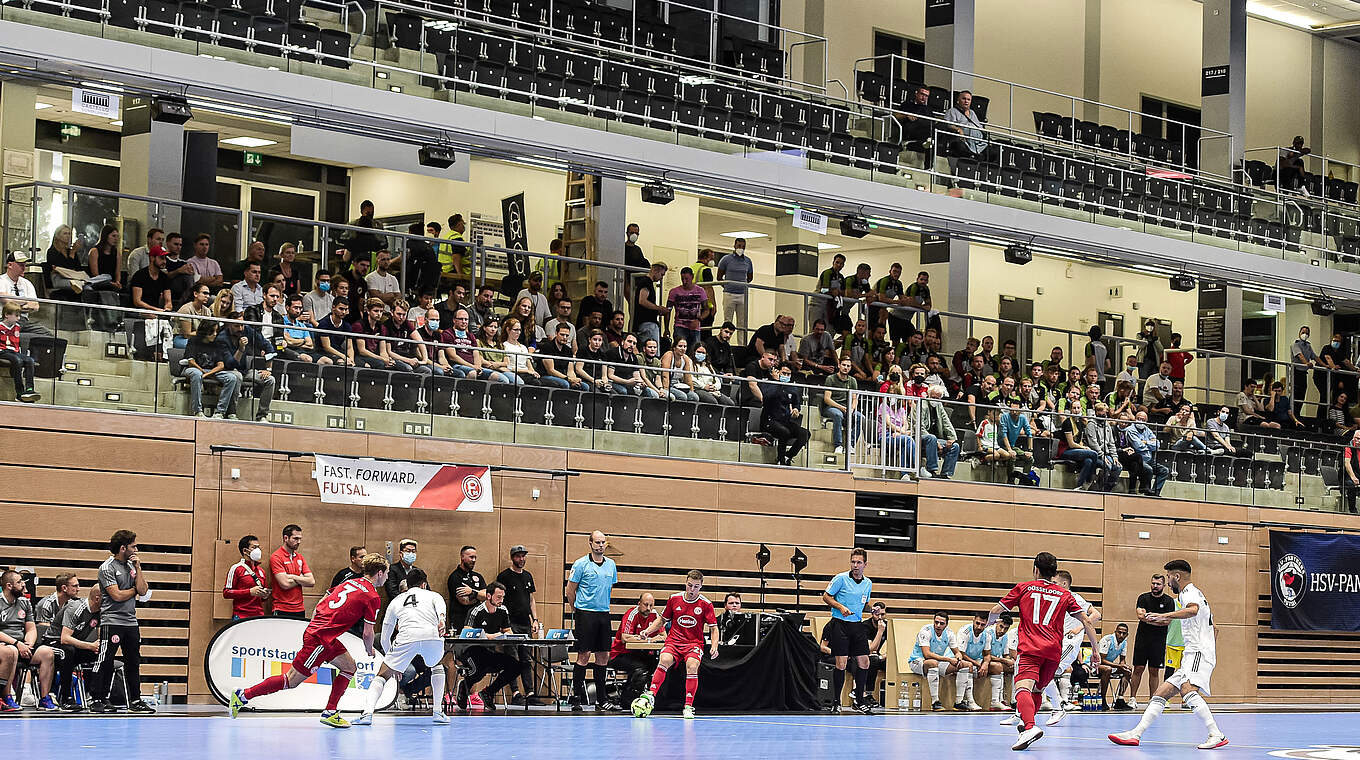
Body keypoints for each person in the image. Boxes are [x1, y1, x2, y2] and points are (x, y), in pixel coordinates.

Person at [230, 553, 388, 727]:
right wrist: (369, 649)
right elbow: (367, 633)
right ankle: (243, 695)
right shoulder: (373, 596)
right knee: (290, 681)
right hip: (320, 639)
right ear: (379, 573)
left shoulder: (349, 582)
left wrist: (318, 624)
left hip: (324, 636)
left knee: (349, 667)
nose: (387, 577)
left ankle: (330, 712)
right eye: (386, 573)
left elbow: (323, 601)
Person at [1110, 559, 1228, 750]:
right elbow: (1215, 628)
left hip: (1197, 653)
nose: (1167, 581)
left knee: (1188, 691)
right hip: (1193, 653)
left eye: (1168, 577)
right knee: (1160, 693)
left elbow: (1193, 610)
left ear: (1176, 576)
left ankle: (1216, 734)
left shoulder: (1189, 592)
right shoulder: (1195, 594)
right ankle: (1135, 734)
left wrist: (1165, 616)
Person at [988, 552, 1100, 751]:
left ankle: (1030, 726)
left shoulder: (1023, 588)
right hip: (1053, 652)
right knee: (1037, 690)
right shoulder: (1065, 595)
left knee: (1022, 687)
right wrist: (1095, 651)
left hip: (1031, 648)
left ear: (1035, 570)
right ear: (1054, 572)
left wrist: (989, 625)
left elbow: (996, 611)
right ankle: (1026, 724)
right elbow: (1087, 620)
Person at [355, 567, 447, 725]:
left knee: (382, 675)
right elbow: (441, 609)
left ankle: (367, 713)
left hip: (406, 637)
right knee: (437, 666)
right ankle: (438, 712)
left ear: (407, 584)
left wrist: (391, 657)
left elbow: (386, 632)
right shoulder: (434, 595)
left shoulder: (397, 600)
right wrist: (442, 620)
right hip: (432, 635)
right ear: (424, 584)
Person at [630, 570, 719, 720]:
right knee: (664, 660)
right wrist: (647, 631)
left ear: (701, 586)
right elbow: (662, 620)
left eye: (696, 587)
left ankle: (688, 706)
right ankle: (650, 695)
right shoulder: (674, 599)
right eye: (689, 585)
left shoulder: (706, 604)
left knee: (692, 665)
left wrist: (714, 645)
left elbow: (713, 628)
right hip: (674, 641)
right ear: (686, 582)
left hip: (693, 643)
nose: (692, 590)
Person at [89, 529, 155, 713]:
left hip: (131, 622)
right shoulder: (107, 568)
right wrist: (134, 591)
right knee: (105, 660)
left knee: (133, 661)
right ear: (123, 547)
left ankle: (135, 700)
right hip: (112, 621)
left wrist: (139, 568)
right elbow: (117, 595)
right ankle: (97, 699)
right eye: (133, 546)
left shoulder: (132, 566)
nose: (136, 549)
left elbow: (143, 590)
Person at [564, 531, 617, 711]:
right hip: (585, 614)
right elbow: (570, 591)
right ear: (590, 543)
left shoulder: (611, 565)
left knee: (603, 656)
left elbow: (609, 589)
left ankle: (601, 699)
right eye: (597, 542)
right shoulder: (580, 564)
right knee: (584, 655)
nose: (601, 545)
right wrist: (576, 610)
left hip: (603, 613)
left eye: (603, 542)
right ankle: (576, 697)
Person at [819, 548, 875, 714]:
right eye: (853, 562)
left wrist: (873, 610)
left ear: (865, 564)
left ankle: (859, 700)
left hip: (857, 626)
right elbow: (826, 596)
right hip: (840, 624)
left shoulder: (868, 583)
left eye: (859, 562)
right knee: (841, 664)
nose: (855, 565)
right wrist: (840, 606)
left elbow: (863, 603)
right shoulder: (840, 578)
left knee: (865, 662)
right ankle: (836, 702)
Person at [495, 545, 540, 704]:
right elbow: (498, 599)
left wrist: (535, 619)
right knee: (512, 658)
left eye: (523, 556)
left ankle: (530, 692)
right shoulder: (504, 576)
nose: (521, 559)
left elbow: (531, 599)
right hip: (510, 623)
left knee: (526, 659)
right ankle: (515, 693)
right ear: (512, 557)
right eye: (518, 556)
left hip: (525, 623)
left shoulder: (528, 576)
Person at [608, 593, 662, 707]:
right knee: (640, 669)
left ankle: (657, 701)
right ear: (639, 604)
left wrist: (646, 640)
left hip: (641, 654)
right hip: (619, 655)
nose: (648, 609)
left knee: (660, 666)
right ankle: (627, 701)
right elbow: (625, 638)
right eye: (646, 605)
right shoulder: (631, 614)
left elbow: (663, 636)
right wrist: (646, 640)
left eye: (651, 605)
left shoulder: (655, 615)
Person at [57, 582, 101, 710]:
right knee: (68, 652)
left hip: (74, 645)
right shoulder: (76, 608)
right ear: (97, 598)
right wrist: (90, 646)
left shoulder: (100, 611)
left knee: (101, 653)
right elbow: (64, 639)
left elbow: (100, 638)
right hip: (54, 643)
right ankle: (66, 698)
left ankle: (96, 697)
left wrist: (98, 645)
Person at [906, 611, 961, 711]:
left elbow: (957, 652)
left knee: (965, 665)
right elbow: (927, 655)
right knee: (933, 663)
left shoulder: (949, 633)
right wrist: (949, 659)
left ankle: (959, 702)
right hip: (917, 662)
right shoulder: (925, 631)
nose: (938, 625)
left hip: (937, 662)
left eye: (942, 623)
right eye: (936, 622)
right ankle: (935, 702)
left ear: (946, 624)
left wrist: (958, 658)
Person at [0, 569, 37, 711]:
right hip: (8, 644)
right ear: (9, 586)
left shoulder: (24, 603)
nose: (23, 585)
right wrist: (17, 643)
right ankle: (6, 696)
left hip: (21, 645)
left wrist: (28, 645)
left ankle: (44, 699)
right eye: (19, 582)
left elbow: (32, 629)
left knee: (46, 653)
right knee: (11, 652)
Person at [762, 361, 810, 466]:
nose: (786, 376)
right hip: (769, 421)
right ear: (777, 372)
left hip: (785, 421)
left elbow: (797, 403)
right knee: (784, 432)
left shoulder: (792, 388)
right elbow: (767, 397)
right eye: (784, 373)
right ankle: (781, 460)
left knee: (805, 433)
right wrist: (776, 381)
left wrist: (796, 410)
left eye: (788, 374)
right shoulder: (769, 383)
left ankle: (788, 455)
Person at [269, 524, 314, 619]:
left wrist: (293, 576)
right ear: (286, 538)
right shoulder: (276, 557)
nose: (299, 542)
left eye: (300, 539)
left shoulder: (300, 557)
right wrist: (301, 577)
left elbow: (311, 582)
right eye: (295, 538)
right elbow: (285, 584)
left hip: (300, 608)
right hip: (282, 608)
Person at [222, 535, 270, 620]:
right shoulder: (236, 568)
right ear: (245, 550)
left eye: (258, 547)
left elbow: (262, 599)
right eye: (254, 547)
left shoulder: (261, 571)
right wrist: (249, 592)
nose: (258, 550)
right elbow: (227, 592)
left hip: (258, 616)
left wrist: (265, 595)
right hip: (241, 616)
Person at [0, 302, 39, 402]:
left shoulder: (17, 327)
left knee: (29, 360)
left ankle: (30, 389)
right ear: (7, 315)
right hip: (2, 351)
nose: (18, 318)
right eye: (16, 315)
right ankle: (20, 392)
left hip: (13, 351)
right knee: (17, 360)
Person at [823, 356, 862, 454]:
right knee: (838, 415)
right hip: (832, 407)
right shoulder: (830, 379)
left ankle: (851, 445)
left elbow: (854, 398)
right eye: (844, 365)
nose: (846, 367)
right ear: (839, 365)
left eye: (848, 366)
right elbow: (827, 399)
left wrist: (852, 409)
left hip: (847, 408)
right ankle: (838, 445)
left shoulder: (853, 380)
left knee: (860, 417)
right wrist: (841, 407)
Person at [921, 384, 961, 478]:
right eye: (933, 397)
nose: (935, 400)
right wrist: (937, 442)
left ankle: (946, 474)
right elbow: (919, 427)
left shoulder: (939, 406)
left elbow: (946, 422)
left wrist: (952, 438)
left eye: (938, 398)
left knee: (955, 446)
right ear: (928, 395)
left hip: (935, 439)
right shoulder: (922, 405)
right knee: (932, 438)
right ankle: (932, 470)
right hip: (921, 437)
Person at [952, 613, 991, 711]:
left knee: (995, 667)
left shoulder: (987, 635)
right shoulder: (965, 631)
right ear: (973, 620)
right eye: (977, 623)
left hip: (974, 660)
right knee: (969, 666)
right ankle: (970, 701)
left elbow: (987, 654)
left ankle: (997, 701)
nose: (979, 627)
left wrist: (985, 664)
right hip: (957, 659)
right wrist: (978, 664)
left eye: (982, 625)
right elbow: (961, 653)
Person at [666, 267, 709, 349]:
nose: (684, 281)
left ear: (692, 277)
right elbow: (668, 310)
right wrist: (667, 328)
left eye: (687, 279)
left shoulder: (700, 291)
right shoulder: (674, 292)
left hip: (695, 326)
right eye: (682, 279)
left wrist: (699, 319)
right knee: (679, 349)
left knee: (695, 350)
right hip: (680, 325)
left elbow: (706, 309)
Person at [716, 238, 753, 329]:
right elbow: (719, 277)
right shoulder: (726, 259)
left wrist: (742, 285)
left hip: (743, 294)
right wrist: (728, 286)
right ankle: (725, 342)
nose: (741, 248)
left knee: (742, 322)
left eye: (743, 247)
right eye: (739, 246)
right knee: (728, 321)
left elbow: (750, 277)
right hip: (729, 294)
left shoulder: (748, 261)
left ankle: (741, 343)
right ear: (734, 246)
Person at [983, 612, 1016, 711]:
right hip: (982, 660)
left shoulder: (1005, 636)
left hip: (995, 661)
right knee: (998, 666)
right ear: (997, 623)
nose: (1002, 630)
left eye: (1006, 628)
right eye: (1001, 626)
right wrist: (1004, 661)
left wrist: (1009, 661)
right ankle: (995, 701)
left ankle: (1013, 700)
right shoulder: (988, 633)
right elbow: (986, 655)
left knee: (1016, 666)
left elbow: (1006, 654)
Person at [631, 261, 669, 347]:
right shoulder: (646, 282)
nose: (661, 278)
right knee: (652, 351)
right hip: (647, 324)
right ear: (655, 271)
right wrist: (658, 308)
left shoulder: (647, 283)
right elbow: (642, 301)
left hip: (646, 323)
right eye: (662, 275)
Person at [1098, 623, 1134, 710]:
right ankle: (1102, 699)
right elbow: (1102, 660)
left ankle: (1120, 700)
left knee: (1128, 669)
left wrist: (1123, 666)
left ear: (1127, 635)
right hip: (1095, 665)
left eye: (1124, 633)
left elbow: (1122, 659)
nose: (1121, 635)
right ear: (1115, 632)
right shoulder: (1107, 640)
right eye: (1119, 632)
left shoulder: (1124, 642)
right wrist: (1119, 666)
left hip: (1109, 665)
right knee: (1107, 669)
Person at [1343, 429, 1360, 514]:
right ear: (1353, 438)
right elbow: (1347, 463)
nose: (1358, 441)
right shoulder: (1349, 446)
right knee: (1351, 485)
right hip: (1349, 474)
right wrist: (1353, 477)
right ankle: (1352, 509)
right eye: (1356, 438)